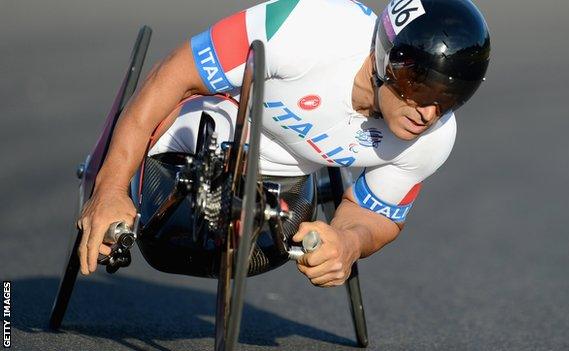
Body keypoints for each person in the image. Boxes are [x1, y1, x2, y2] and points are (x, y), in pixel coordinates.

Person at [76, 0, 490, 287]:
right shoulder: (306, 27)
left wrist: (347, 243)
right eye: (420, 86)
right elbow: (173, 74)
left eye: (451, 98)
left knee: (280, 242)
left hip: (289, 180)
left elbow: (373, 213)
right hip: (201, 131)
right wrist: (110, 187)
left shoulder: (433, 139)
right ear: (387, 58)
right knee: (157, 216)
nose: (428, 113)